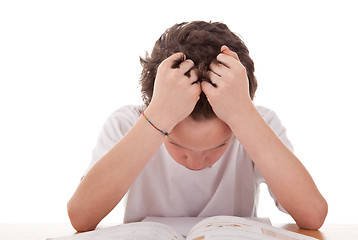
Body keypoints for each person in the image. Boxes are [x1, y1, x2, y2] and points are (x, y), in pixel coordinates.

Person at [67, 21, 328, 232]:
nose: (194, 162)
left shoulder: (256, 123)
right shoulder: (127, 123)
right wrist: (157, 117)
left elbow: (312, 215)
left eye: (217, 147)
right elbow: (81, 216)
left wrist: (243, 115)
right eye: (177, 145)